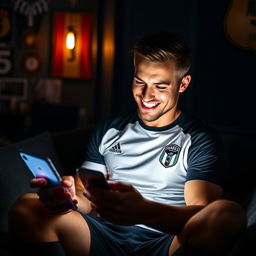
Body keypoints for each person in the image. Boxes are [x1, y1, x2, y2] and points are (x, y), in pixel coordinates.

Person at [8, 31, 247, 256]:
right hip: (100, 234)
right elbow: (87, 199)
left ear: (182, 84)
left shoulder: (199, 139)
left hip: (164, 242)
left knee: (228, 214)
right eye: (139, 82)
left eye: (160, 86)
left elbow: (201, 213)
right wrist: (69, 197)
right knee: (26, 207)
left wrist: (143, 211)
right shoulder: (110, 129)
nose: (146, 95)